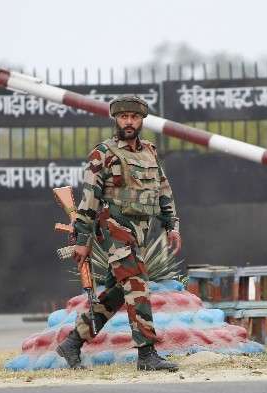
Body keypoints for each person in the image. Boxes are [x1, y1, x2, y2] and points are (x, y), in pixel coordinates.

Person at [56, 96, 183, 371]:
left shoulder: (149, 151)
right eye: (123, 117)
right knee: (137, 284)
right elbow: (89, 199)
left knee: (115, 293)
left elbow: (163, 189)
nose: (128, 122)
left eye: (134, 117)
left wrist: (171, 224)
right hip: (116, 230)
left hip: (141, 232)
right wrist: (81, 240)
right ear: (115, 119)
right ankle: (147, 355)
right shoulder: (103, 153)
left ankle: (72, 342)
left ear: (141, 120)